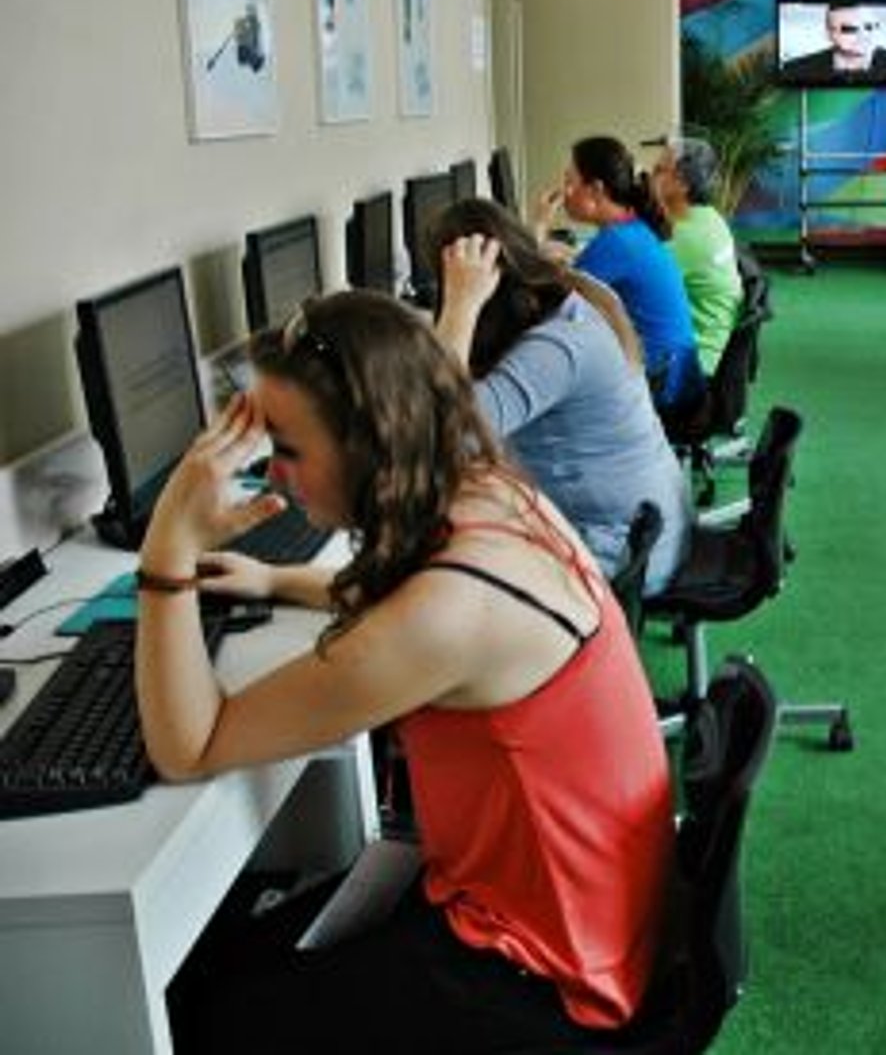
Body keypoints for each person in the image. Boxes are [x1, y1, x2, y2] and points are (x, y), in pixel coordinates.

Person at [138, 291, 676, 1052]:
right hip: (597, 924)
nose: (274, 477)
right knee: (238, 963)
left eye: (288, 450)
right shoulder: (495, 495)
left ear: (370, 446)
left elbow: (190, 744)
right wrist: (276, 580)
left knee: (204, 1015)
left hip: (552, 983)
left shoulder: (443, 618)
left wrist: (168, 547)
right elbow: (410, 599)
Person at [429, 198, 691, 589]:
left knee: (444, 573)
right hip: (645, 523)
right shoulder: (577, 295)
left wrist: (459, 307)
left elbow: (442, 435)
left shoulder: (558, 345)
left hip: (624, 551)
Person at [533, 135, 705, 415]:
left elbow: (546, 302)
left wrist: (539, 227)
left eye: (570, 182)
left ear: (596, 190)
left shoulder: (616, 242)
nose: (564, 192)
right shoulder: (630, 229)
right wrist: (567, 259)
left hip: (662, 384)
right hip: (678, 373)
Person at [656, 136, 744, 376]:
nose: (650, 178)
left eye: (659, 171)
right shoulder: (709, 219)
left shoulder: (686, 236)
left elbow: (624, 282)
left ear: (682, 184)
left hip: (689, 365)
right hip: (708, 349)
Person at [780, 0, 886, 84]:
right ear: (829, 34)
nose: (864, 35)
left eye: (869, 27)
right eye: (850, 29)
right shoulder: (795, 71)